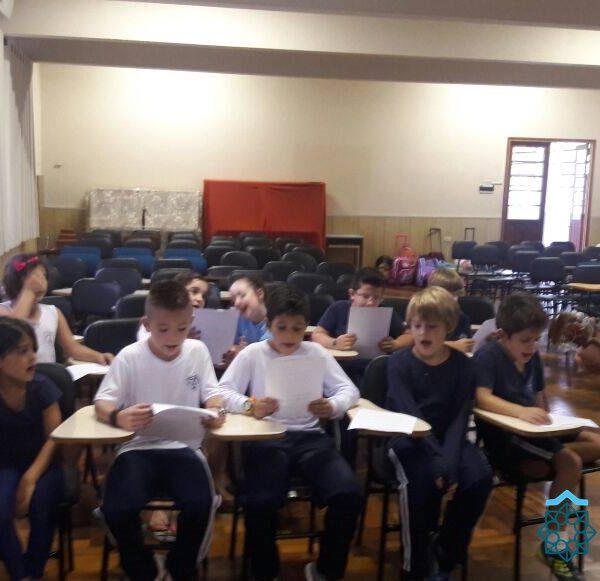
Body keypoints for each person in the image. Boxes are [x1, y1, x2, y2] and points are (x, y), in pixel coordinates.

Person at [209, 284, 362, 581]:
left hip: (310, 439)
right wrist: (250, 405)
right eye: (282, 328)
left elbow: (349, 390)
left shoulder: (316, 352)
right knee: (261, 501)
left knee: (348, 493)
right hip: (267, 438)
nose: (290, 336)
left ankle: (326, 570)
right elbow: (222, 391)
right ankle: (265, 571)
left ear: (306, 327)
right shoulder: (253, 353)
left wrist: (332, 405)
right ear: (269, 325)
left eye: (297, 328)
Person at [94, 280, 225, 581]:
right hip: (137, 449)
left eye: (182, 328)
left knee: (200, 503)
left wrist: (216, 412)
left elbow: (213, 394)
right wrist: (117, 417)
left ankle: (180, 568)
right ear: (147, 324)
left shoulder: (197, 351)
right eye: (163, 329)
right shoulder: (130, 355)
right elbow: (102, 402)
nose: (173, 337)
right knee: (116, 508)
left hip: (185, 448)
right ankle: (144, 569)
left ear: (191, 321)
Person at [474, 293, 600, 580]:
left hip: (536, 432)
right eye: (525, 341)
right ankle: (554, 545)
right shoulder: (489, 356)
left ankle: (554, 465)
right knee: (570, 462)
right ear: (503, 335)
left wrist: (555, 423)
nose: (532, 347)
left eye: (536, 339)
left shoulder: (530, 357)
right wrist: (520, 411)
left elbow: (541, 398)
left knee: (596, 442)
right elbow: (481, 397)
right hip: (508, 435)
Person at [384, 287, 492, 580]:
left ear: (449, 327)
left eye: (431, 326)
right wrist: (436, 456)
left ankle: (446, 550)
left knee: (479, 477)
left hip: (449, 441)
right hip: (407, 438)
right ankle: (414, 566)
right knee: (419, 483)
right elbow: (410, 414)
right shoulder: (398, 363)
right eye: (417, 325)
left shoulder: (464, 366)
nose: (423, 333)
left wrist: (449, 458)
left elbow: (460, 416)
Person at [0, 317, 65, 580]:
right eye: (22, 351)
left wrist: (30, 478)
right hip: (4, 465)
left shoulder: (42, 387)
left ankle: (34, 570)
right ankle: (19, 573)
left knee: (42, 503)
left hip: (43, 464)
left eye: (33, 349)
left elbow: (54, 438)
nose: (32, 357)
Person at [0, 254, 112, 365]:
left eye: (43, 276)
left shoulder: (53, 312)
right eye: (32, 277)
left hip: (45, 374)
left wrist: (99, 356)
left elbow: (73, 348)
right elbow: (14, 333)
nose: (40, 282)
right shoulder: (3, 310)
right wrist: (29, 291)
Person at [311, 267, 410, 353]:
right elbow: (317, 334)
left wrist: (395, 344)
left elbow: (410, 335)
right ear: (352, 294)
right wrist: (335, 343)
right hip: (343, 362)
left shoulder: (385, 312)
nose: (370, 302)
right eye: (365, 296)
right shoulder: (338, 308)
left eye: (376, 298)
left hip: (376, 364)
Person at [136, 271, 210, 341]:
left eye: (204, 296)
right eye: (194, 291)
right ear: (177, 292)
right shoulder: (156, 317)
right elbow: (145, 343)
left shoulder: (208, 322)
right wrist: (181, 338)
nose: (200, 299)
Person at [222, 274, 271, 364]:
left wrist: (244, 353)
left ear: (260, 294)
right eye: (233, 300)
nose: (236, 303)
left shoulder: (276, 322)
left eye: (242, 295)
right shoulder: (238, 320)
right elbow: (232, 347)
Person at [427, 267, 474, 353]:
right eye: (448, 294)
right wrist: (451, 345)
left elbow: (466, 346)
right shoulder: (424, 317)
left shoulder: (462, 318)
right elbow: (418, 344)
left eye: (456, 294)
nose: (453, 299)